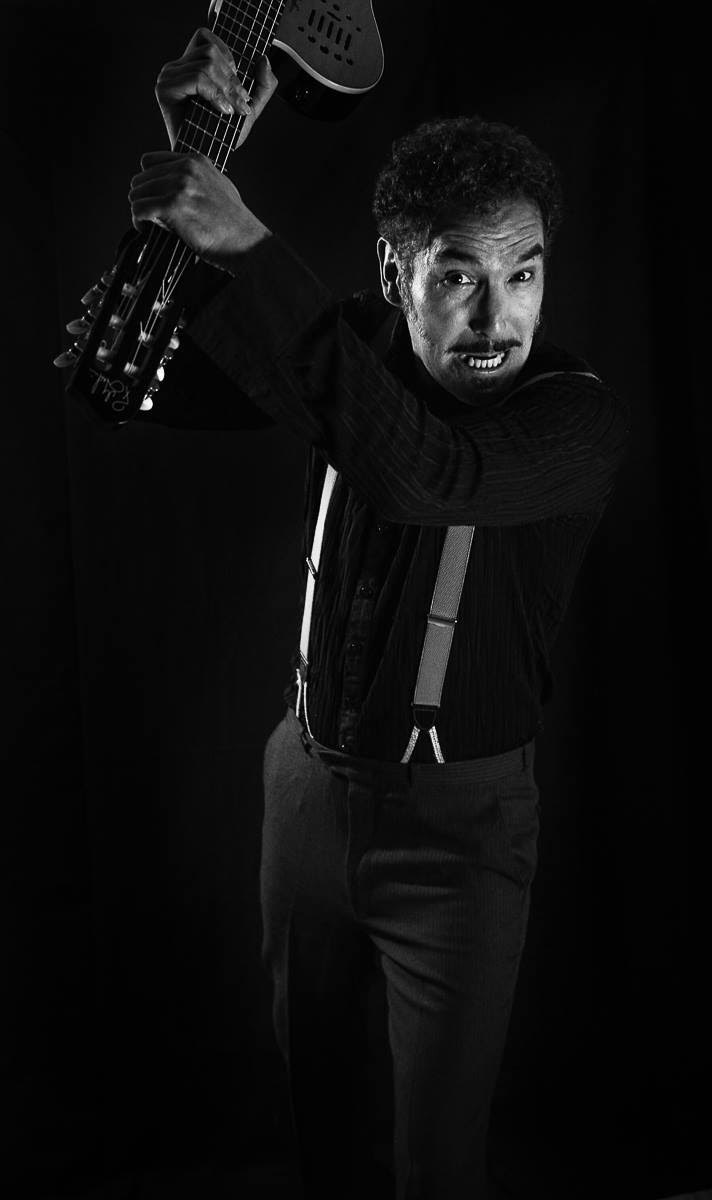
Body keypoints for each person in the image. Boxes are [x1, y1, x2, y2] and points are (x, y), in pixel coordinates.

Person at [127, 26, 629, 1200]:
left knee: (436, 1168)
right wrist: (191, 167)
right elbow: (130, 375)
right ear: (396, 270)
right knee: (325, 1140)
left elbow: (425, 474)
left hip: (464, 834)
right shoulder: (350, 349)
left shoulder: (575, 421)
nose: (496, 317)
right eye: (458, 275)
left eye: (523, 273)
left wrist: (244, 239)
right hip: (302, 794)